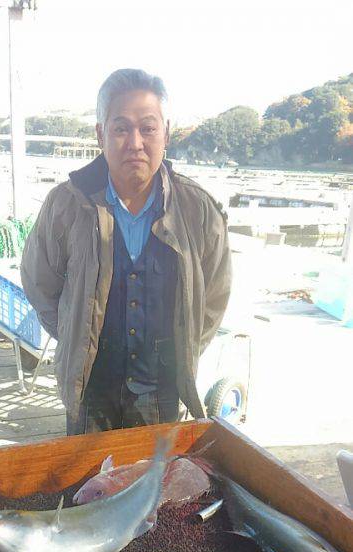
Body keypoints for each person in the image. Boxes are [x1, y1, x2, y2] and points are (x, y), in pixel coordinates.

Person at [21, 68, 232, 435]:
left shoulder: (197, 210)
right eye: (121, 128)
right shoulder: (67, 205)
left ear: (166, 132)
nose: (135, 142)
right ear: (101, 134)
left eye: (147, 128)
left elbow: (214, 296)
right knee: (88, 488)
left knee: (155, 488)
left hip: (162, 391)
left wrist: (184, 347)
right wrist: (75, 333)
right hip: (89, 388)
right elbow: (39, 282)